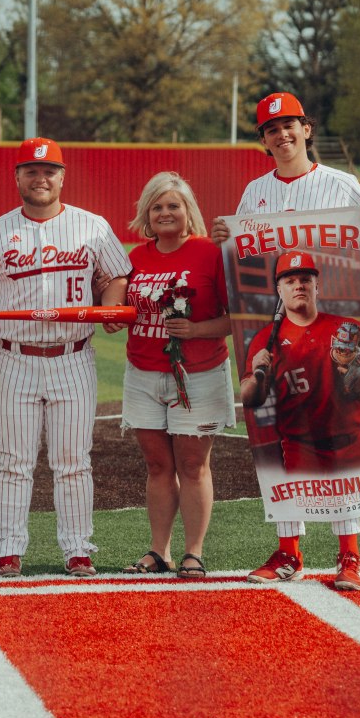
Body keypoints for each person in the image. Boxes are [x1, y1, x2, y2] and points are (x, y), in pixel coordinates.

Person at [211, 91, 360, 590]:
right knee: (283, 429)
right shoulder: (255, 192)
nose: (282, 135)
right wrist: (224, 235)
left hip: (333, 317)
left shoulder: (342, 183)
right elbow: (241, 254)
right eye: (272, 129)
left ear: (307, 129)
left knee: (335, 427)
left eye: (290, 125)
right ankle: (287, 551)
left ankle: (349, 556)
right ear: (264, 140)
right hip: (276, 324)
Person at [0, 138, 131, 578]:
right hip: (16, 358)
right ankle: (8, 552)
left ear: (62, 177)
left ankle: (77, 551)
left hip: (73, 357)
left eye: (49, 171)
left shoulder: (92, 226)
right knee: (13, 459)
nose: (41, 178)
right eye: (31, 171)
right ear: (17, 176)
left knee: (73, 460)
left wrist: (110, 304)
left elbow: (117, 275)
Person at [240, 252, 360, 591]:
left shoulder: (345, 329)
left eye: (305, 279)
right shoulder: (267, 339)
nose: (299, 285)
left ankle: (350, 558)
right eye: (290, 280)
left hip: (348, 437)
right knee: (287, 493)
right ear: (279, 290)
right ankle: (288, 556)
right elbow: (250, 397)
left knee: (346, 495)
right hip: (298, 440)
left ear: (317, 286)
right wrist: (260, 373)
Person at [120, 172, 234, 581]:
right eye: (157, 206)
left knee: (192, 465)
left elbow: (237, 318)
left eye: (174, 205)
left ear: (189, 212)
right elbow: (120, 307)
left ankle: (194, 552)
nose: (165, 213)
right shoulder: (135, 257)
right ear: (146, 215)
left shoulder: (211, 253)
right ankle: (158, 550)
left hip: (198, 373)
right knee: (156, 465)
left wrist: (197, 330)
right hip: (143, 372)